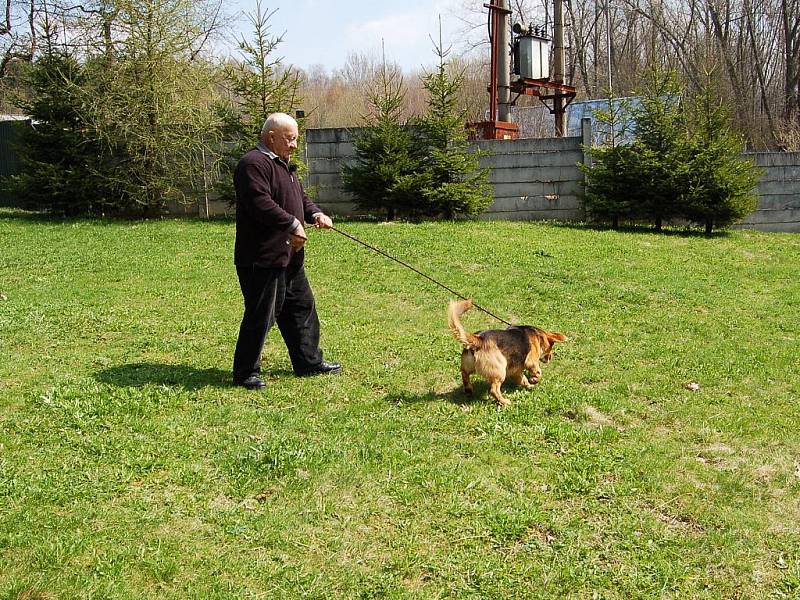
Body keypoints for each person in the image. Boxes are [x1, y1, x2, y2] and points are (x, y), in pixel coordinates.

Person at [232, 112, 341, 390]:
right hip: (262, 259)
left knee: (302, 309)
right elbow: (260, 203)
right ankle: (245, 373)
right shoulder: (253, 164)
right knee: (262, 316)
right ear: (271, 137)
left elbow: (298, 198)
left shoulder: (284, 165)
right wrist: (293, 223)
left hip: (290, 257)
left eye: (295, 140)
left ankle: (309, 362)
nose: (294, 145)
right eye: (289, 139)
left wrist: (314, 213)